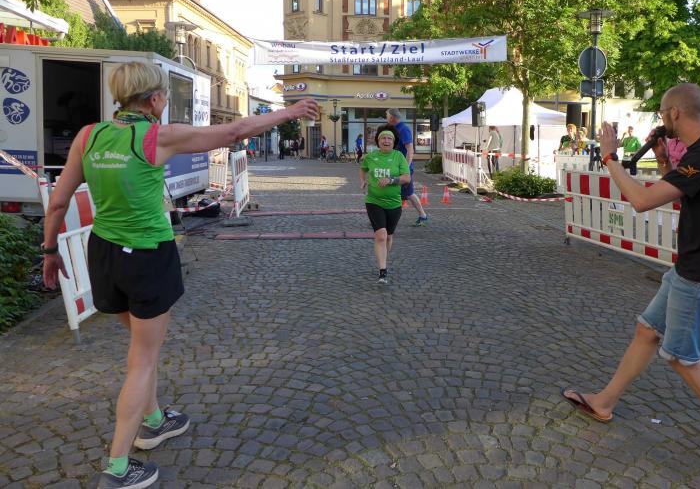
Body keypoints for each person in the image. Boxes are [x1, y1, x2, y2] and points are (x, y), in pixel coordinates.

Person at [41, 61, 318, 489]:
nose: (165, 103)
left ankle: (154, 420)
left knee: (141, 347)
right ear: (154, 99)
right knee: (143, 358)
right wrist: (291, 111)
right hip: (147, 256)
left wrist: (49, 252)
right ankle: (118, 467)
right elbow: (234, 131)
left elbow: (58, 203)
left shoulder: (88, 136)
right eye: (165, 97)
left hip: (104, 255)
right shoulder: (156, 137)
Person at [562, 83, 700, 468]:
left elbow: (642, 201)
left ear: (675, 113)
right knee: (647, 330)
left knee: (682, 358)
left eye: (661, 112)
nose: (661, 119)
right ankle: (604, 402)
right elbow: (680, 193)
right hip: (694, 267)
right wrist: (662, 163)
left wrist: (609, 157)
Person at [359, 124, 410, 283]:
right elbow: (363, 168)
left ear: (393, 142)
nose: (386, 141)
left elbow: (407, 178)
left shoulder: (399, 156)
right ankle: (383, 271)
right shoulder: (370, 156)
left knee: (388, 236)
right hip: (374, 201)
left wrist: (390, 180)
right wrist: (363, 180)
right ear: (378, 141)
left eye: (389, 138)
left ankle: (384, 260)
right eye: (383, 138)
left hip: (394, 203)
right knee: (381, 235)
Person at [386, 108, 428, 226]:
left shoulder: (403, 129)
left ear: (392, 118)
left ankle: (423, 216)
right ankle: (387, 217)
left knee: (408, 193)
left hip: (403, 169)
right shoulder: (394, 128)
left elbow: (410, 149)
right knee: (398, 193)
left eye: (387, 116)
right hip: (396, 167)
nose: (386, 118)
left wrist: (406, 167)